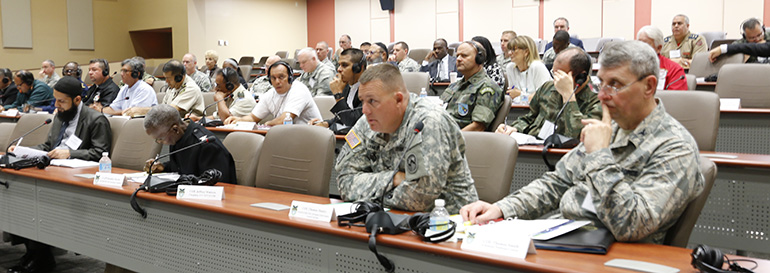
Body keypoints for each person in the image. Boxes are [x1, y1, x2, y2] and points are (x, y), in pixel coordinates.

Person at [461, 40, 704, 244]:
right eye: (601, 83)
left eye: (615, 84)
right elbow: (557, 183)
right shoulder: (610, 129)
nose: (602, 95)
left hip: (612, 249)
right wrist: (503, 208)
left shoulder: (675, 146)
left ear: (649, 86)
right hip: (566, 232)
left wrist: (599, 155)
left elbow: (631, 225)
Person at [335, 64, 479, 214]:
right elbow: (344, 182)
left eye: (372, 101)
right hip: (390, 218)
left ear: (398, 99)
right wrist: (393, 178)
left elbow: (420, 198)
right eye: (362, 101)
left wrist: (370, 197)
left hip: (450, 222)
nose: (364, 110)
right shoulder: (366, 123)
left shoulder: (429, 122)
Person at [5, 76, 112, 273]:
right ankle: (33, 252)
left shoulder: (96, 120)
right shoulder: (60, 116)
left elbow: (100, 153)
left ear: (77, 100)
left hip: (77, 178)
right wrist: (22, 150)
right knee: (20, 195)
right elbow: (48, 147)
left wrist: (70, 152)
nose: (57, 105)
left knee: (36, 202)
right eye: (56, 100)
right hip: (51, 170)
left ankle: (41, 256)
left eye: (61, 101)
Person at [497, 47, 600, 139]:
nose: (556, 80)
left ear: (580, 77)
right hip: (534, 146)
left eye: (560, 75)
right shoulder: (547, 88)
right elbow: (529, 118)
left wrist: (569, 96)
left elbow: (578, 135)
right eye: (553, 73)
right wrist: (513, 128)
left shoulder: (597, 100)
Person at [143, 104, 237, 184]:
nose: (159, 142)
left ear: (175, 129)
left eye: (160, 139)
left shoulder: (207, 145)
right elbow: (183, 166)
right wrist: (163, 167)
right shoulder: (177, 136)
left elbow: (217, 181)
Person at [224, 61, 322, 126]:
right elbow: (253, 117)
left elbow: (284, 120)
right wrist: (238, 120)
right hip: (289, 137)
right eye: (273, 78)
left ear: (290, 77)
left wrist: (267, 124)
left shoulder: (299, 89)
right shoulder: (270, 94)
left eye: (281, 77)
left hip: (310, 136)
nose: (277, 81)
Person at [440, 41, 503, 131]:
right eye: (457, 55)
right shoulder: (455, 85)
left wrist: (452, 140)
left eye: (464, 56)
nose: (458, 59)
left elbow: (478, 127)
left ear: (479, 59)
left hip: (461, 140)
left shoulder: (487, 88)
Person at [309, 48, 366, 132]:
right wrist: (326, 123)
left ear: (357, 68)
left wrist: (338, 95)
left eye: (344, 65)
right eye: (339, 65)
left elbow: (352, 122)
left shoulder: (369, 90)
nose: (339, 69)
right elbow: (341, 116)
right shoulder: (347, 86)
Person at [125, 60, 205, 117]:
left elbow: (171, 110)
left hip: (191, 127)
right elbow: (163, 108)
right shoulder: (173, 86)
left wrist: (142, 111)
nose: (166, 81)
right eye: (165, 78)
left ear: (179, 78)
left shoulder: (191, 88)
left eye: (168, 78)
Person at [92, 58, 158, 116]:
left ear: (136, 74)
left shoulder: (144, 89)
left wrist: (103, 110)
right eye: (121, 71)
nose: (121, 74)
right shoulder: (124, 88)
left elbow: (133, 113)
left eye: (125, 71)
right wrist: (100, 110)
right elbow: (113, 108)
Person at [189, 67, 255, 122]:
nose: (216, 89)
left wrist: (220, 100)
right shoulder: (227, 95)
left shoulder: (245, 99)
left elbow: (226, 119)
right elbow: (217, 118)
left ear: (229, 86)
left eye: (218, 85)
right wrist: (197, 118)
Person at [504, 35, 553, 103]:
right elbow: (512, 96)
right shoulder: (510, 68)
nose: (509, 53)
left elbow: (543, 98)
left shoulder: (537, 67)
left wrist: (520, 94)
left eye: (514, 49)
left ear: (526, 52)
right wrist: (527, 97)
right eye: (509, 50)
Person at [637, 25, 687, 90]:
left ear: (658, 48)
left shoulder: (674, 70)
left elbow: (676, 98)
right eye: (639, 43)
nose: (641, 48)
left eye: (646, 45)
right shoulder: (629, 66)